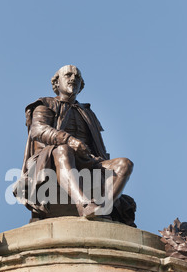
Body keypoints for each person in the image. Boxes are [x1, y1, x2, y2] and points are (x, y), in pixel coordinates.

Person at [14, 65, 136, 224]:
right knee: (63, 150)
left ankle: (102, 208)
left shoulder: (87, 113)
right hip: (50, 159)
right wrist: (69, 140)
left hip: (87, 161)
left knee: (124, 164)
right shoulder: (44, 104)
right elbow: (38, 129)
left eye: (77, 77)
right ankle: (83, 204)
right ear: (57, 83)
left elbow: (97, 147)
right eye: (68, 75)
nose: (73, 79)